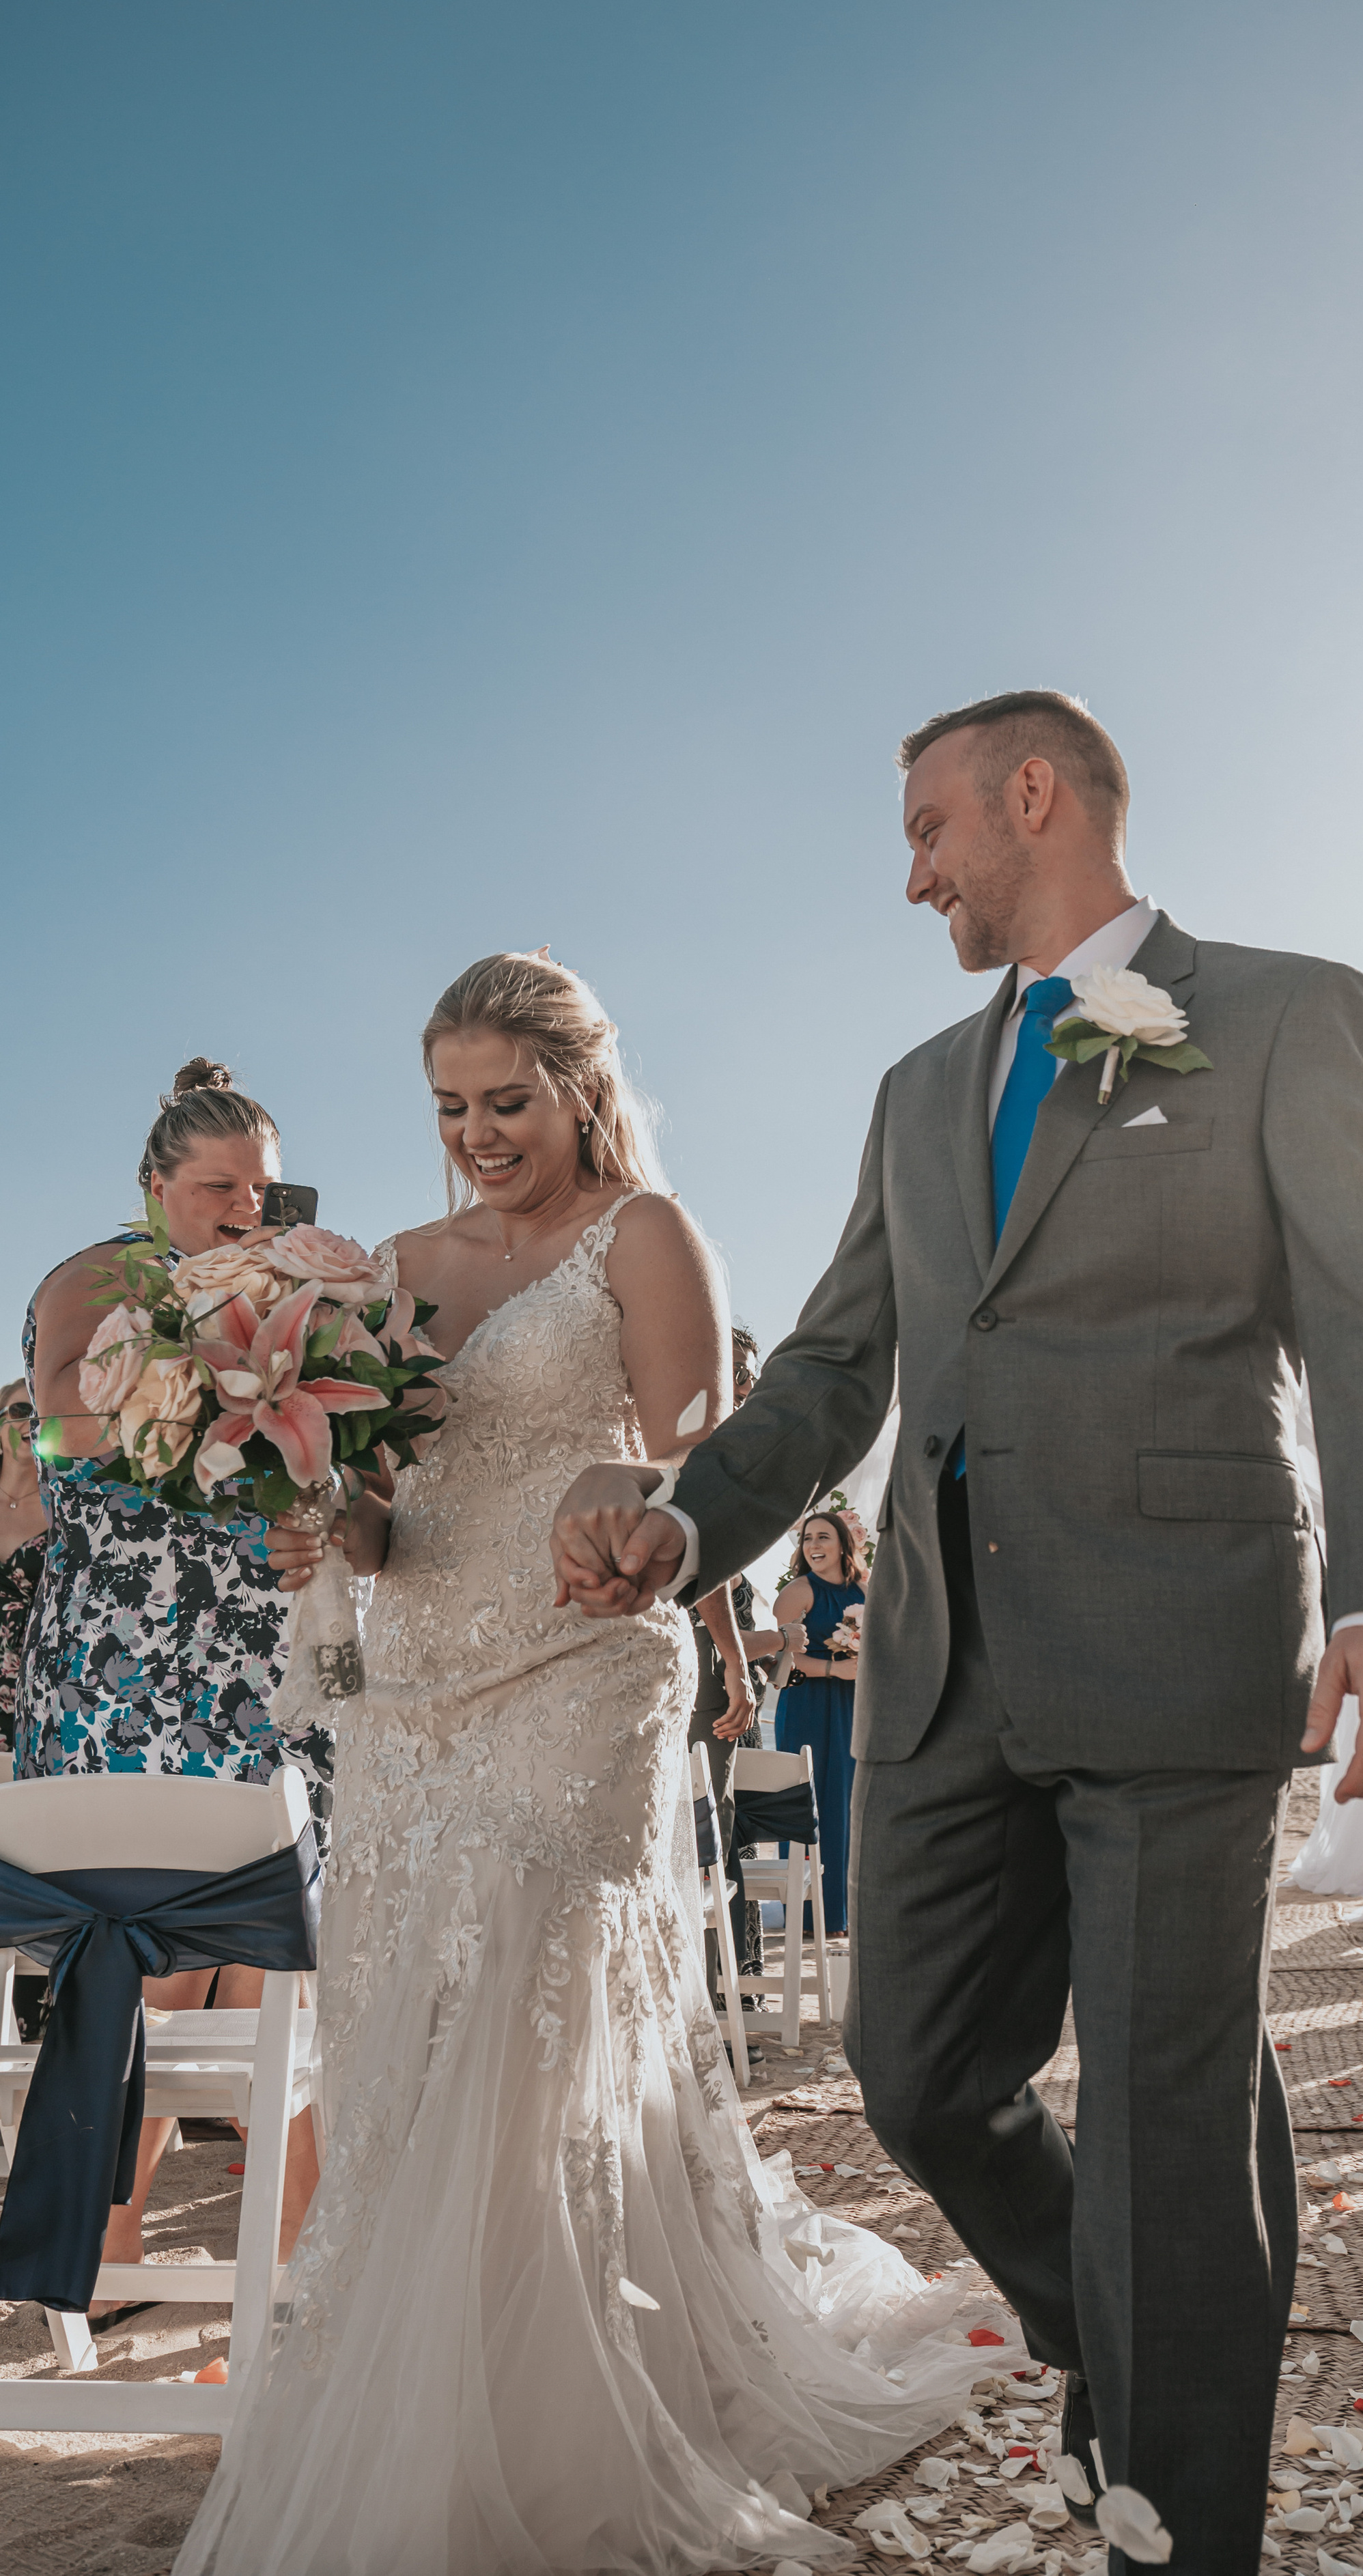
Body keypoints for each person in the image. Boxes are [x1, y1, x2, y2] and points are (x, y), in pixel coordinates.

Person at [549, 690, 1363, 2572]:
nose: (913, 877)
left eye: (927, 830)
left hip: (1180, 1632)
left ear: (1031, 794)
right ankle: (1119, 2335)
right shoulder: (916, 1091)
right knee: (912, 2068)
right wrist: (688, 1516)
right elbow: (832, 1368)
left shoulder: (1287, 1012)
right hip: (940, 1659)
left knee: (1159, 2111)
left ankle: (1174, 2517)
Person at [179, 952, 1016, 2576]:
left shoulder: (644, 1235)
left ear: (579, 1086)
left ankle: (570, 2415)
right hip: (411, 1693)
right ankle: (425, 2406)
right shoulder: (392, 1269)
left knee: (531, 2021)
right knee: (409, 2038)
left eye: (508, 1099)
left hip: (584, 1666)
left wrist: (631, 1496)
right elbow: (382, 1512)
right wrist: (317, 1512)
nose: (478, 1133)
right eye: (450, 1106)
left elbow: (700, 1446)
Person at [17, 1060, 324, 2291]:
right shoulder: (95, 1278)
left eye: (262, 1185)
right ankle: (115, 2229)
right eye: (218, 1187)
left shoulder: (282, 1290)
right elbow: (59, 1421)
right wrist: (223, 1381)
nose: (247, 1208)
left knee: (273, 1948)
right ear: (154, 1186)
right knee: (156, 1948)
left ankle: (294, 2250)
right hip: (128, 1667)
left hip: (256, 1659)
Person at [688, 1322, 765, 2017]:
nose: (743, 1385)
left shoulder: (736, 1448)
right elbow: (703, 1556)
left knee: (715, 1828)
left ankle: (721, 1990)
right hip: (694, 1666)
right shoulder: (696, 1440)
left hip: (705, 1667)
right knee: (702, 1829)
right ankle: (707, 2003)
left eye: (748, 1375)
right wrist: (737, 1660)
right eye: (736, 1370)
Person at [767, 1507, 867, 1940]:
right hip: (807, 1703)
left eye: (823, 1537)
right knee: (807, 1801)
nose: (813, 1546)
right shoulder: (797, 1592)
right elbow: (781, 1658)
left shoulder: (865, 1589)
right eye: (807, 1538)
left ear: (844, 1544)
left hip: (853, 1705)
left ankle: (842, 1912)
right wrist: (833, 1669)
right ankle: (807, 1916)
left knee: (846, 1799)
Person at [0, 1378, 47, 1763]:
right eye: (20, 1410)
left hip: (23, 1684)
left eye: (41, 1413)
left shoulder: (62, 1508)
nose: (31, 1421)